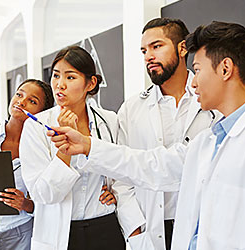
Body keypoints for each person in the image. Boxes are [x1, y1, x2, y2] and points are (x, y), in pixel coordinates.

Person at [48, 21, 245, 249]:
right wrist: (88, 146)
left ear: (225, 69)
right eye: (144, 50)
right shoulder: (208, 141)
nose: (195, 81)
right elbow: (151, 165)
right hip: (156, 230)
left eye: (198, 70)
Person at [117, 17, 220, 250]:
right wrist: (135, 225)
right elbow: (122, 177)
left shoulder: (213, 98)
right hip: (149, 227)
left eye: (157, 46)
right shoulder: (131, 109)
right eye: (144, 50)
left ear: (182, 48)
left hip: (202, 224)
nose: (148, 57)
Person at [19, 45, 127, 250]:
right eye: (56, 76)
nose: (60, 85)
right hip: (60, 233)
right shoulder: (36, 126)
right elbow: (43, 194)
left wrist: (116, 193)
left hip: (105, 226)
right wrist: (64, 150)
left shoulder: (109, 120)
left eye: (70, 77)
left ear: (91, 83)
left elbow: (120, 168)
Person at [0, 79, 54, 250]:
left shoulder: (45, 149)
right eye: (19, 94)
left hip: (21, 231)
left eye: (32, 101)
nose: (21, 102)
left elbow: (50, 199)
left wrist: (26, 204)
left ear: (42, 112)